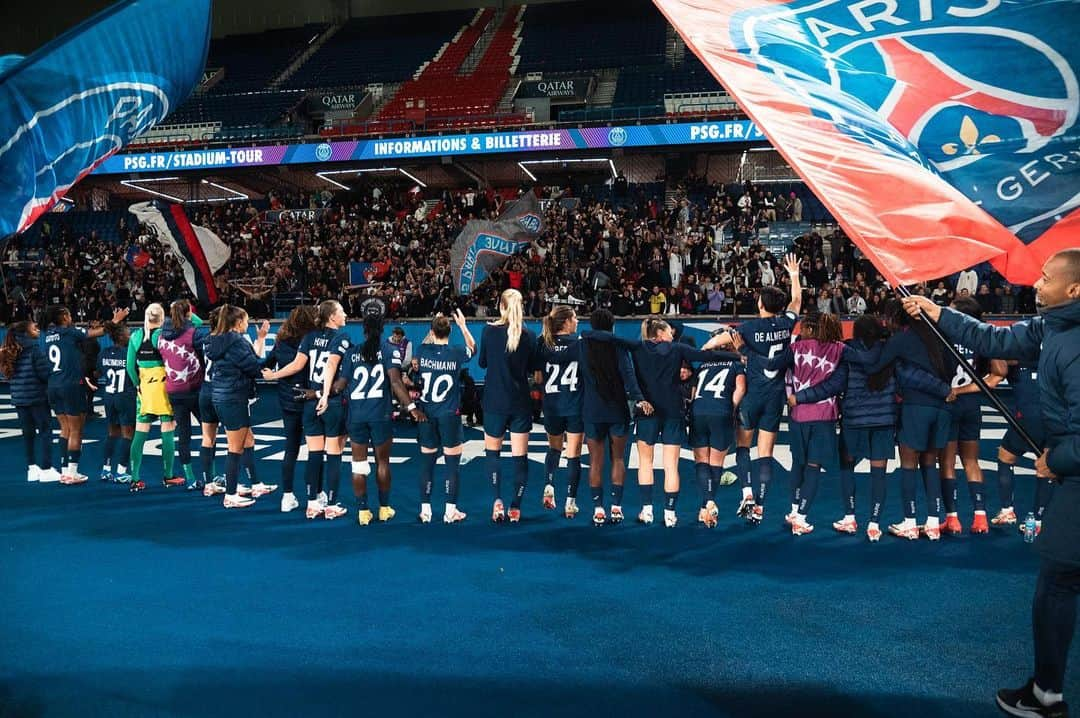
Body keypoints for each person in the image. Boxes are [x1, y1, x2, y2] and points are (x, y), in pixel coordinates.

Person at [902, 250, 1080, 717]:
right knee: (1058, 582)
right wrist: (936, 310)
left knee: (1058, 583)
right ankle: (1046, 690)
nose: (1036, 284)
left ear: (1074, 290)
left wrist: (1057, 460)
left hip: (1073, 477)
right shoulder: (1051, 327)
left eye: (1046, 278)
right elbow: (989, 339)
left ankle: (1048, 697)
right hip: (1069, 474)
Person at [793, 315, 951, 541]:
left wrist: (802, 396)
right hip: (883, 422)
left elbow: (833, 385)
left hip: (854, 422)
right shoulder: (889, 352)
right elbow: (911, 376)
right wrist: (943, 389)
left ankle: (849, 518)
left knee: (847, 468)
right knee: (879, 474)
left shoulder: (847, 354)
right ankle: (874, 525)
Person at [593, 318, 739, 527]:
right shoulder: (677, 348)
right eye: (669, 331)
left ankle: (647, 511)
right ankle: (670, 514)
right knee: (671, 466)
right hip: (673, 412)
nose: (672, 333)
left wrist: (588, 334)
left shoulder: (638, 346)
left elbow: (610, 338)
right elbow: (707, 355)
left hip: (647, 412)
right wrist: (735, 356)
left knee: (646, 463)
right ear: (660, 333)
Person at [546, 309, 652, 525]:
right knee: (618, 458)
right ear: (611, 326)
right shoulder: (618, 345)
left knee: (595, 460)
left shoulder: (581, 344)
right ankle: (616, 507)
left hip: (592, 410)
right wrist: (640, 398)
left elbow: (557, 356)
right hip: (617, 409)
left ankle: (598, 509)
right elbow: (628, 376)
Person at [320, 313, 423, 523]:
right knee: (382, 463)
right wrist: (412, 408)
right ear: (382, 329)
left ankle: (362, 512)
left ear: (364, 330)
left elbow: (340, 386)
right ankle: (384, 509)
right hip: (380, 415)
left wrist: (319, 393)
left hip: (356, 416)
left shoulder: (352, 353)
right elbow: (395, 383)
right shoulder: (389, 350)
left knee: (358, 464)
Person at [730, 253, 802, 525]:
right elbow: (796, 301)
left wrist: (704, 350)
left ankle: (746, 493)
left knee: (742, 446)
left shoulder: (748, 328)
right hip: (775, 398)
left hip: (752, 396)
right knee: (766, 454)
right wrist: (794, 275)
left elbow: (727, 338)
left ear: (760, 303)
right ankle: (759, 506)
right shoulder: (786, 323)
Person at [263, 300, 351, 520]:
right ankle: (330, 504)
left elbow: (296, 365)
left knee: (313, 453)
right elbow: (332, 365)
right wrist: (325, 394)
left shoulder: (309, 337)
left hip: (308, 403)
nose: (345, 314)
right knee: (333, 454)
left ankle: (312, 503)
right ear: (332, 317)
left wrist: (273, 375)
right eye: (341, 311)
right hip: (328, 402)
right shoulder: (342, 338)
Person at [938, 296, 1008, 535]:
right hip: (970, 405)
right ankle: (981, 517)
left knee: (946, 462)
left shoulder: (943, 335)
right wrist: (966, 389)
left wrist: (953, 390)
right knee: (971, 461)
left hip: (948, 403)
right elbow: (999, 374)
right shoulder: (983, 337)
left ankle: (953, 519)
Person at [44, 304, 128, 484]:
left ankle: (65, 470)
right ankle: (72, 473)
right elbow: (98, 333)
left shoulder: (49, 336)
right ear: (65, 317)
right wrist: (116, 320)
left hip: (53, 386)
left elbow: (66, 360)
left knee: (64, 429)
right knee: (76, 430)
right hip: (70, 386)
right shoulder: (70, 332)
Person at [782, 313, 846, 535]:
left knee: (798, 463)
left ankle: (793, 510)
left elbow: (773, 366)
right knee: (813, 466)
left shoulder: (794, 348)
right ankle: (801, 517)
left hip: (797, 415)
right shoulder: (840, 349)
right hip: (822, 416)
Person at [479, 288, 537, 523]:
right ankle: (516, 506)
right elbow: (532, 369)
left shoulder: (488, 332)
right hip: (520, 402)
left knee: (493, 454)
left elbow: (483, 362)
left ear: (501, 306)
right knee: (519, 458)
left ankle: (497, 501)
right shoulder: (529, 335)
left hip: (494, 401)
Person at [206, 305, 269, 509]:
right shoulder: (238, 343)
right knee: (235, 448)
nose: (248, 323)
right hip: (233, 397)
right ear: (238, 322)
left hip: (222, 396)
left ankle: (256, 484)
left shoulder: (215, 340)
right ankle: (231, 494)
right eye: (246, 320)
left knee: (248, 439)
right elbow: (253, 367)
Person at [414, 310, 474, 523]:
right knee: (452, 464)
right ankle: (450, 510)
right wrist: (463, 326)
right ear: (450, 331)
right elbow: (472, 348)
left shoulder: (422, 350)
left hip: (427, 414)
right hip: (449, 414)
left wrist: (432, 328)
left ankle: (426, 510)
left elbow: (416, 355)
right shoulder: (457, 352)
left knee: (427, 463)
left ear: (432, 332)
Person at [263, 305, 320, 512]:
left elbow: (265, 365)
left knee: (291, 448)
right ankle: (317, 495)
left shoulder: (280, 343)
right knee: (316, 449)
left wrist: (270, 373)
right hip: (310, 399)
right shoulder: (314, 341)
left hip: (288, 400)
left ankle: (287, 497)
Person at [689, 330, 745, 528]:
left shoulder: (704, 364)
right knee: (715, 463)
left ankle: (705, 507)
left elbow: (694, 392)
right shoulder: (736, 363)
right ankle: (709, 502)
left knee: (701, 462)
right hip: (721, 411)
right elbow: (740, 388)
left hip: (699, 411)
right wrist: (732, 406)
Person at [991, 360, 1053, 534]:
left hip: (1028, 418)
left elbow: (995, 375)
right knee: (1045, 467)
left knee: (1005, 456)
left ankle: (1007, 511)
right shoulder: (1055, 354)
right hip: (1056, 418)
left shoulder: (1014, 355)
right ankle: (1038, 522)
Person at [534, 305, 584, 518]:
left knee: (554, 449)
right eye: (574, 318)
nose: (577, 321)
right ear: (565, 322)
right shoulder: (581, 345)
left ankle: (549, 484)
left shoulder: (542, 343)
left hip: (552, 405)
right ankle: (570, 503)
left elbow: (537, 378)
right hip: (574, 405)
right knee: (573, 456)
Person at [126, 303, 182, 492]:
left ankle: (135, 478)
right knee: (167, 429)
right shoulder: (164, 335)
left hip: (145, 388)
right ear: (162, 318)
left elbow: (129, 367)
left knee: (140, 431)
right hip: (164, 387)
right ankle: (168, 476)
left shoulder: (135, 336)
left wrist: (138, 386)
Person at [156, 300, 207, 489]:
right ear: (188, 314)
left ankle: (190, 478)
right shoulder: (194, 333)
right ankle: (212, 475)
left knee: (183, 434)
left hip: (173, 391)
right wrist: (188, 315)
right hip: (194, 389)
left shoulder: (160, 336)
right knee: (208, 432)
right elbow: (199, 324)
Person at [0, 320, 59, 483]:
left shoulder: (9, 350)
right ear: (26, 333)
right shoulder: (34, 350)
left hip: (19, 399)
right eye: (34, 328)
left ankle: (32, 469)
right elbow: (44, 374)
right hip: (37, 398)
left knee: (28, 435)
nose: (38, 329)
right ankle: (47, 469)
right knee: (46, 432)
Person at [96, 322, 136, 484]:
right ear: (121, 336)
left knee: (112, 432)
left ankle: (106, 469)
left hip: (109, 396)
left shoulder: (104, 352)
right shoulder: (129, 353)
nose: (131, 336)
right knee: (128, 434)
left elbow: (97, 372)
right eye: (128, 333)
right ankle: (121, 471)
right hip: (125, 396)